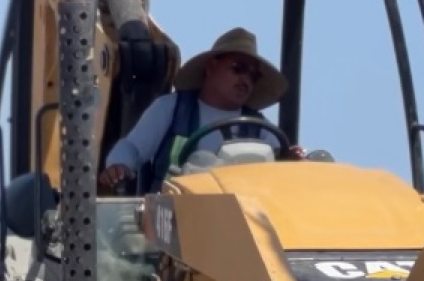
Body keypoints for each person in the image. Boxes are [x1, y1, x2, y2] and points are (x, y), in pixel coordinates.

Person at [101, 27, 300, 193]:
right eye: (238, 69)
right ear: (211, 67)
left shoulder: (259, 128)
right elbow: (133, 148)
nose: (245, 80)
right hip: (170, 224)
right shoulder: (172, 108)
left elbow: (277, 168)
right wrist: (119, 165)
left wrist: (289, 161)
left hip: (238, 226)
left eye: (253, 76)